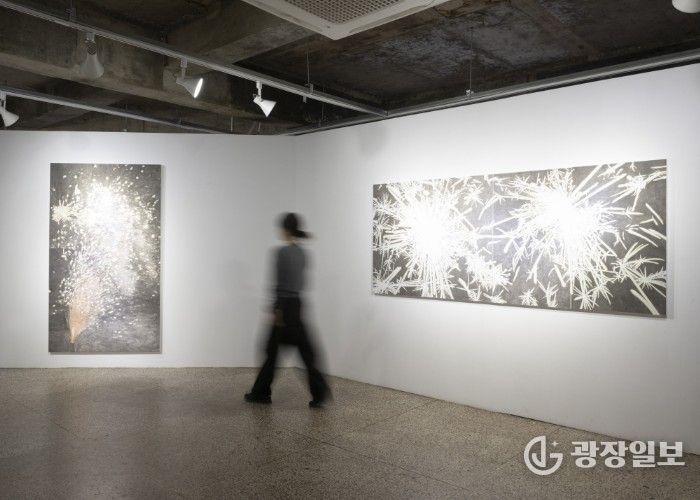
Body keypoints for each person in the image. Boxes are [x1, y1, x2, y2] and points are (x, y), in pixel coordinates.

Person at [245, 213, 330, 408]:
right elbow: (301, 283)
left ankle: (261, 393)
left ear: (285, 230)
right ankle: (319, 394)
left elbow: (279, 284)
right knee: (305, 353)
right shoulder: (303, 253)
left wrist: (275, 310)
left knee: (271, 352)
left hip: (284, 307)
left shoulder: (281, 253)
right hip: (297, 305)